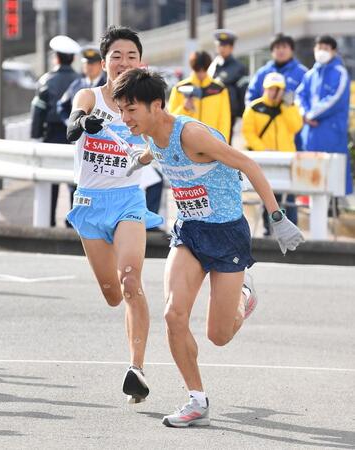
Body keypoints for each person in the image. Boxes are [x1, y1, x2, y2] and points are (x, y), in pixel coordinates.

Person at [111, 68, 304, 427]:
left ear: (156, 106)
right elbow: (155, 150)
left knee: (219, 335)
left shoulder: (192, 134)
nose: (125, 118)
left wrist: (277, 218)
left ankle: (244, 297)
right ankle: (196, 399)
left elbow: (246, 163)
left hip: (227, 233)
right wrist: (139, 160)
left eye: (131, 110)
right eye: (121, 110)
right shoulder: (150, 132)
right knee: (173, 315)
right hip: (189, 231)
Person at [65, 26, 163, 404]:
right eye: (116, 56)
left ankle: (136, 369)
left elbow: (166, 139)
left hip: (128, 202)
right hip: (89, 204)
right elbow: (74, 122)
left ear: (141, 62)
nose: (123, 63)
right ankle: (133, 353)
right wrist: (81, 124)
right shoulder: (90, 95)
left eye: (131, 57)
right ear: (103, 61)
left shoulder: (148, 104)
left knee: (130, 281)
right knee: (111, 294)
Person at [242, 72, 303, 235]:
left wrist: (287, 107)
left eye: (278, 89)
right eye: (271, 88)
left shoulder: (289, 107)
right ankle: (269, 230)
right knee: (268, 196)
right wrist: (262, 150)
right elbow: (248, 133)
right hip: (265, 160)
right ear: (264, 89)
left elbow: (296, 127)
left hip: (287, 159)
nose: (274, 92)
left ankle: (292, 230)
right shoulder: (254, 108)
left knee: (289, 197)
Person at [30, 35, 81, 227]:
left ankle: (48, 220)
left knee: (49, 182)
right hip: (75, 136)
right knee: (75, 182)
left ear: (56, 58)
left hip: (51, 135)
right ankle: (72, 223)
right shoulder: (80, 81)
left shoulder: (46, 81)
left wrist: (35, 138)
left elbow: (38, 111)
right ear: (73, 58)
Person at [296, 35, 353, 199]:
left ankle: (333, 210)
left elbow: (334, 99)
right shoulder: (310, 74)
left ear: (334, 51)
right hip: (311, 133)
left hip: (331, 132)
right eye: (319, 47)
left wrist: (311, 114)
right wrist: (304, 114)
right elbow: (300, 96)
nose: (322, 52)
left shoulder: (340, 73)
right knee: (312, 175)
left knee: (333, 175)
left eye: (326, 48)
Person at [168, 50, 231, 142]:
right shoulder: (179, 88)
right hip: (186, 144)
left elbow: (225, 120)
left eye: (204, 70)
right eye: (197, 70)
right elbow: (170, 119)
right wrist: (184, 108)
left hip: (213, 143)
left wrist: (223, 142)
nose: (201, 74)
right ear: (192, 68)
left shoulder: (220, 89)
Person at [208, 29, 248, 144]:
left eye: (226, 45)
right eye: (220, 45)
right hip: (210, 110)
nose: (222, 48)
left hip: (228, 112)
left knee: (224, 142)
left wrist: (242, 113)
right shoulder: (212, 65)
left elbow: (243, 91)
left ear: (231, 48)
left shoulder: (239, 67)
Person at [57, 45, 106, 126]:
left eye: (93, 63)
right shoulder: (76, 85)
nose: (89, 67)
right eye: (87, 63)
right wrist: (69, 122)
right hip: (78, 133)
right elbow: (62, 105)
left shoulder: (106, 84)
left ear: (101, 65)